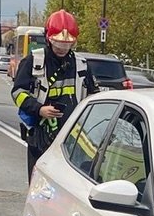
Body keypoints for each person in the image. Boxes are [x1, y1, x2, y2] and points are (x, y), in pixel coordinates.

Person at [11, 9, 94, 180]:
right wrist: (39, 109)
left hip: (74, 136)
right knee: (40, 185)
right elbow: (18, 92)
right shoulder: (34, 61)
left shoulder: (81, 65)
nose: (62, 48)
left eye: (67, 44)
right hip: (41, 134)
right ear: (48, 38)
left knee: (71, 184)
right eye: (58, 44)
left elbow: (93, 94)